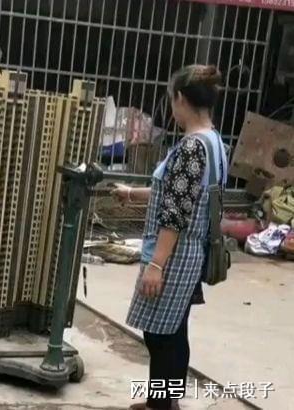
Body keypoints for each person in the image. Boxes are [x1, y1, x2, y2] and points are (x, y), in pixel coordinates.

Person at [112, 65, 228, 410]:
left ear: (180, 98)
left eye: (171, 99)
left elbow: (176, 212)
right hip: (191, 251)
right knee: (174, 331)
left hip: (174, 253)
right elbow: (181, 193)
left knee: (161, 335)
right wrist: (133, 193)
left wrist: (156, 265)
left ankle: (161, 406)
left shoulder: (191, 147)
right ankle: (163, 402)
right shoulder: (214, 142)